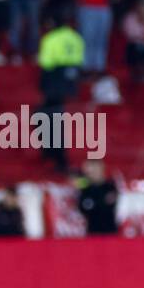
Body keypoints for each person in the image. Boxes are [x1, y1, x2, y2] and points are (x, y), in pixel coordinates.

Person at [37, 11, 85, 173]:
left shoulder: (51, 38)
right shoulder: (76, 38)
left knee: (48, 117)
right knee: (50, 116)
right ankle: (51, 151)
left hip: (54, 79)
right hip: (70, 81)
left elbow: (45, 62)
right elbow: (79, 60)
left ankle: (55, 154)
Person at [77, 159, 118, 234]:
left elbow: (110, 206)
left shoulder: (110, 186)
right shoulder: (85, 189)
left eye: (95, 170)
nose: (92, 173)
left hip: (110, 232)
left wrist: (95, 204)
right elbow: (83, 208)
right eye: (89, 172)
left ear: (102, 169)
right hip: (92, 232)